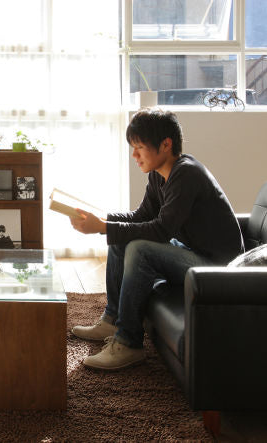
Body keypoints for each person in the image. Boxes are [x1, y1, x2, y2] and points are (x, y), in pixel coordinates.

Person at [69, 108, 244, 370]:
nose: (134, 155)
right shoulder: (158, 174)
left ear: (166, 144)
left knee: (139, 248)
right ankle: (113, 318)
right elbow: (141, 216)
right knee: (121, 239)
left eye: (139, 147)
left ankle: (129, 343)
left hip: (218, 268)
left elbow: (161, 230)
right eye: (133, 147)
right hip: (191, 252)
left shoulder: (186, 174)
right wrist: (100, 220)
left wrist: (103, 226)